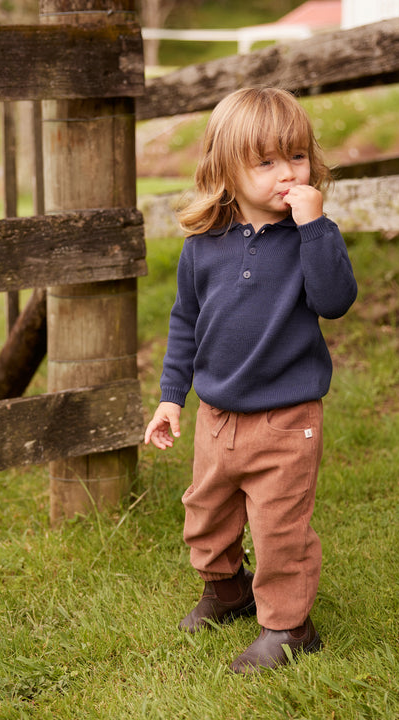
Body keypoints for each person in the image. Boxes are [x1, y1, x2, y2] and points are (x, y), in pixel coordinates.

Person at [143, 87, 358, 674]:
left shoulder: (313, 237)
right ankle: (227, 590)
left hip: (287, 418)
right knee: (206, 513)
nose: (287, 174)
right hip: (217, 416)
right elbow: (186, 322)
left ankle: (290, 627)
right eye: (265, 162)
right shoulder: (204, 246)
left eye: (296, 157)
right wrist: (170, 398)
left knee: (278, 527)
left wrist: (314, 229)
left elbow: (335, 300)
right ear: (225, 171)